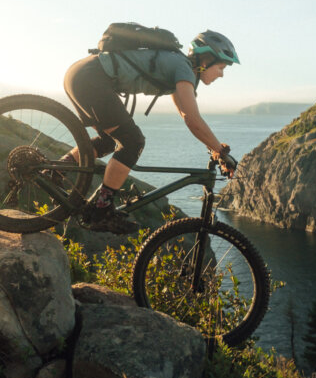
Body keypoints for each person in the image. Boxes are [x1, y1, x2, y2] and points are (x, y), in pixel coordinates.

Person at [62, 29, 239, 233]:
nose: (222, 74)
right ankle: (101, 210)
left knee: (108, 142)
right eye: (221, 67)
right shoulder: (184, 68)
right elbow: (193, 119)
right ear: (206, 59)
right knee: (133, 142)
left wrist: (214, 149)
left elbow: (185, 114)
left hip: (82, 74)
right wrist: (221, 151)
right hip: (91, 78)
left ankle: (55, 171)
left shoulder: (178, 65)